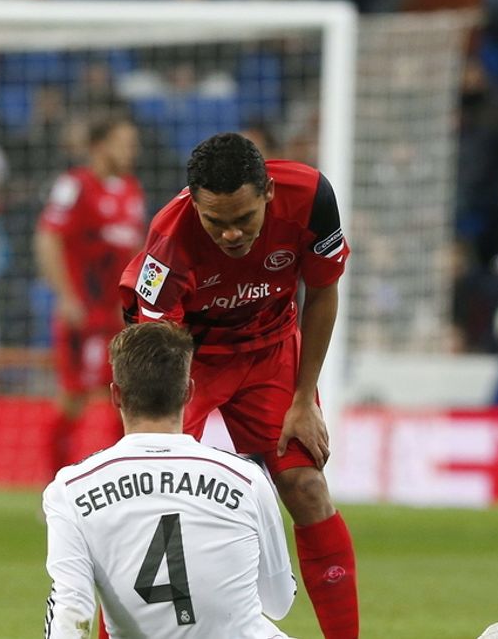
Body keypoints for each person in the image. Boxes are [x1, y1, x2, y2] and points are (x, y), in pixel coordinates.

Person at [118, 132, 357, 638]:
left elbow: (322, 292)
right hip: (190, 359)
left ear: (269, 191)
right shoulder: (168, 239)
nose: (230, 235)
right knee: (151, 507)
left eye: (244, 220)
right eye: (216, 222)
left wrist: (304, 399)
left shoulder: (313, 198)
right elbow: (158, 349)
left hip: (270, 350)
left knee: (307, 486)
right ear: (195, 205)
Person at [43, 321, 298, 638]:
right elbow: (279, 602)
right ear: (189, 391)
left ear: (116, 395)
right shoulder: (246, 478)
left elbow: (72, 613)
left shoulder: (70, 489)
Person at [35, 117, 146, 472]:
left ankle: (117, 485)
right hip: (83, 315)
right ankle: (53, 488)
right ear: (99, 146)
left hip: (118, 316)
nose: (132, 150)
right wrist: (67, 297)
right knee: (73, 399)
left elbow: (138, 249)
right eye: (123, 142)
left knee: (127, 397)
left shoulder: (132, 190)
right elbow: (47, 238)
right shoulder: (74, 186)